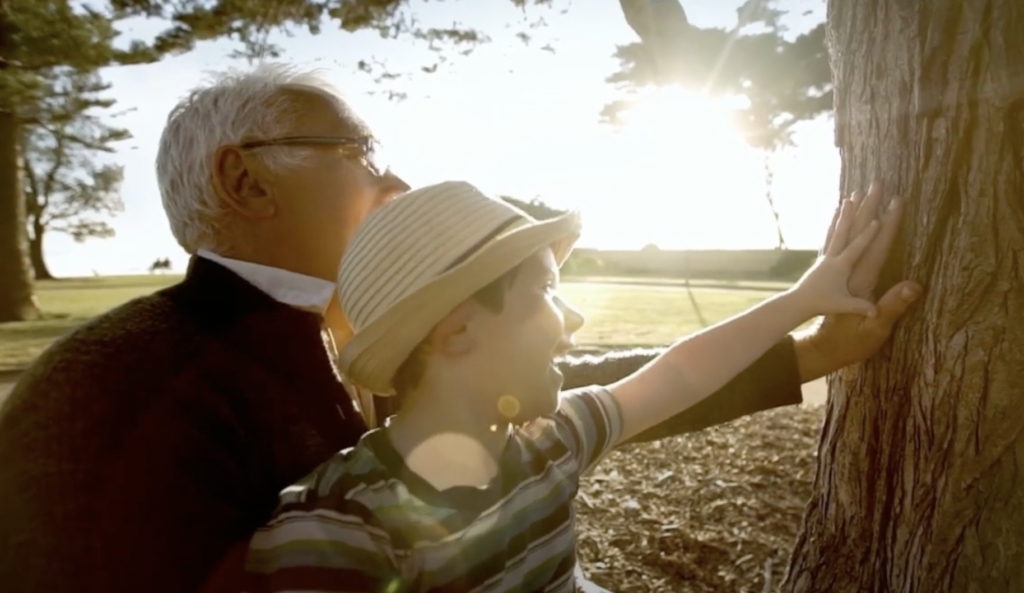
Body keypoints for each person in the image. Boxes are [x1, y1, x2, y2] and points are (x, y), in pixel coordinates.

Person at [0, 64, 921, 593]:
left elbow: (568, 388)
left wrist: (801, 348)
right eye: (361, 153)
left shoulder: (349, 334)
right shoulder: (115, 383)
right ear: (248, 182)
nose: (392, 184)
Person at [241, 180, 889, 593]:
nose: (573, 318)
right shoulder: (339, 527)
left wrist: (802, 299)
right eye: (548, 291)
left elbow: (681, 372)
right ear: (458, 331)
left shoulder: (550, 440)